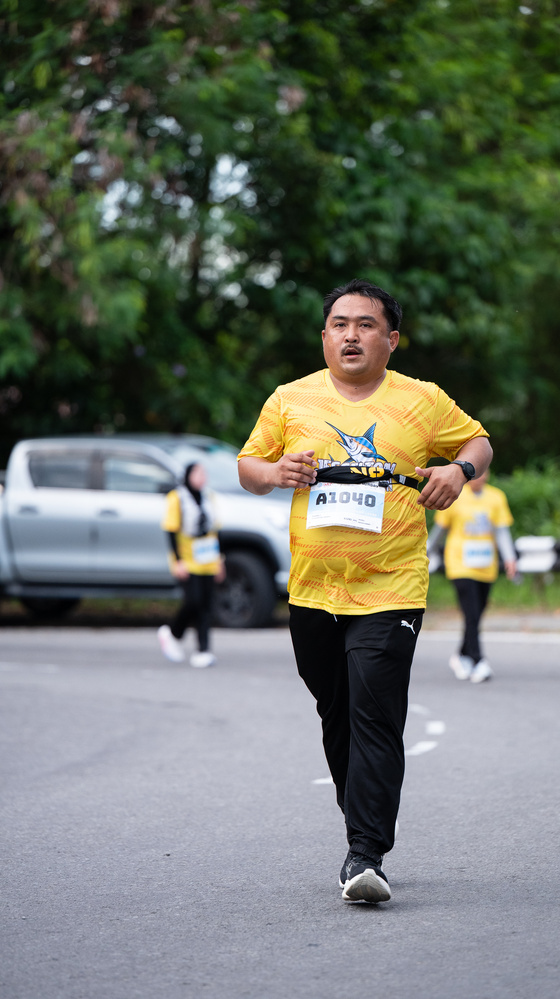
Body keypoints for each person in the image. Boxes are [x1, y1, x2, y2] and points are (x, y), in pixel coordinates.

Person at [237, 278, 492, 903]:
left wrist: (458, 471)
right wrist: (274, 471)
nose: (351, 335)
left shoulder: (422, 399)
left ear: (392, 339)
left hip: (392, 586)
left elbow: (479, 442)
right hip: (313, 590)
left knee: (374, 713)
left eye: (366, 325)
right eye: (340, 324)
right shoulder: (290, 399)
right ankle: (363, 821)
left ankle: (365, 854)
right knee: (336, 713)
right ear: (324, 336)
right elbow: (248, 467)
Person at [428, 469, 516, 682]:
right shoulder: (454, 495)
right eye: (477, 474)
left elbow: (501, 531)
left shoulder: (496, 497)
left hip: (486, 566)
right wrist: (427, 552)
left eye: (485, 473)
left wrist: (510, 558)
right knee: (472, 613)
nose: (481, 477)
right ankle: (478, 661)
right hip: (460, 564)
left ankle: (462, 656)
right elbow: (440, 530)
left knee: (477, 614)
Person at [157, 462, 225, 668]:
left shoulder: (209, 497)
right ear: (187, 476)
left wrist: (220, 560)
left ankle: (203, 650)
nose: (201, 477)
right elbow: (170, 530)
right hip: (187, 560)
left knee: (206, 605)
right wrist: (178, 561)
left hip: (208, 559)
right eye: (197, 473)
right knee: (193, 601)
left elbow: (215, 531)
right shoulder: (177, 498)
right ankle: (173, 633)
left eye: (204, 473)